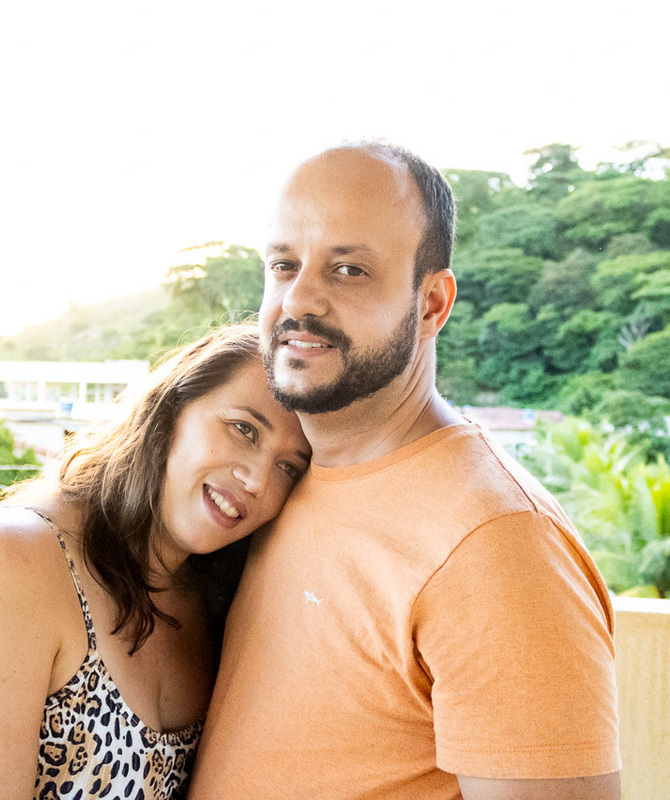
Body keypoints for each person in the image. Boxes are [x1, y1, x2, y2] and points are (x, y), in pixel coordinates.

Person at [188, 145, 621, 800]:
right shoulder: (281, 478)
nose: (299, 299)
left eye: (350, 270)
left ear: (431, 304)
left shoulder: (499, 545)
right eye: (284, 265)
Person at [0, 324, 310, 800]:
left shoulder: (220, 603)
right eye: (243, 429)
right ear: (170, 411)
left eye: (288, 466)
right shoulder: (8, 560)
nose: (257, 480)